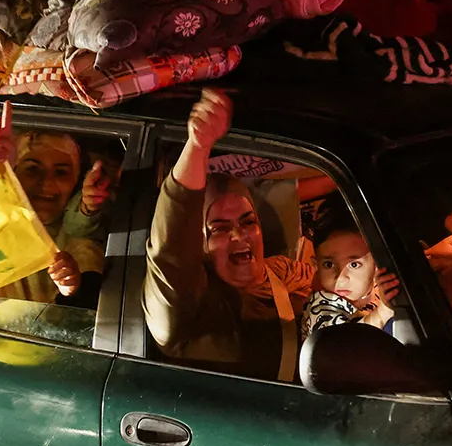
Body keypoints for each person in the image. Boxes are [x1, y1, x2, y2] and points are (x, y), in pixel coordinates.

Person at [143, 89, 316, 382]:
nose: (239, 235)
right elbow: (171, 252)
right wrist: (198, 147)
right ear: (198, 243)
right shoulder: (189, 307)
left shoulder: (285, 274)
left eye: (248, 222)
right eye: (220, 228)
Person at [0, 101, 113, 308]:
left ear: (75, 181)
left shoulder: (79, 244)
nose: (47, 182)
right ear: (15, 173)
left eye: (61, 172)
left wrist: (73, 289)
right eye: (32, 169)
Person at [298, 204, 401, 340]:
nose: (341, 278)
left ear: (376, 264)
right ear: (316, 266)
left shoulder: (378, 287)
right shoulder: (321, 307)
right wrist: (383, 312)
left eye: (354, 264)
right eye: (328, 264)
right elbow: (348, 343)